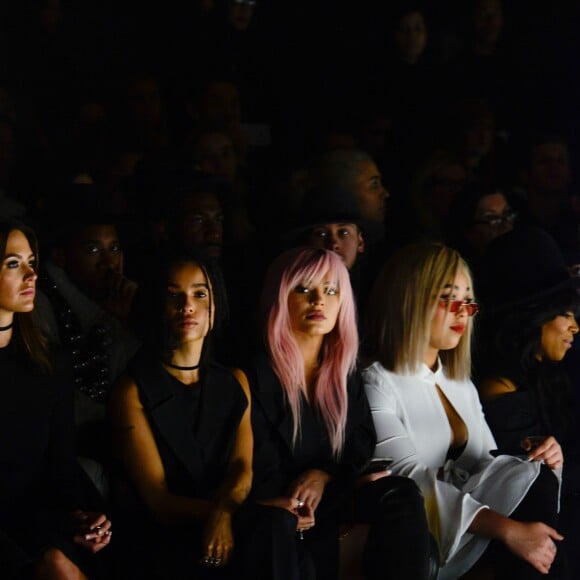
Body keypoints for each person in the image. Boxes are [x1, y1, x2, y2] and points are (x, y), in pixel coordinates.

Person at [363, 242, 568, 579]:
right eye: (447, 298)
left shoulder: (459, 383)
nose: (462, 311)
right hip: (424, 541)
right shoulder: (376, 382)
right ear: (408, 299)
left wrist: (542, 454)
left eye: (468, 299)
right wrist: (507, 530)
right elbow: (409, 480)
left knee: (540, 472)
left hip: (480, 531)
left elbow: (488, 463)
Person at [240, 247, 434, 580]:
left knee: (400, 493)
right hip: (279, 505)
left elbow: (360, 441)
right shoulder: (255, 374)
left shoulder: (344, 371)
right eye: (304, 289)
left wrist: (326, 475)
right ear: (280, 296)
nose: (319, 300)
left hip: (335, 491)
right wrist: (303, 493)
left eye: (331, 290)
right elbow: (256, 460)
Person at [110, 253, 268, 579]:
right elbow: (159, 501)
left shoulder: (234, 381)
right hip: (164, 536)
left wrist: (224, 513)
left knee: (277, 528)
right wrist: (219, 515)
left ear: (215, 304)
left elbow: (242, 468)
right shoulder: (133, 388)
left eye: (199, 294)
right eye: (173, 296)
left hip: (227, 518)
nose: (187, 306)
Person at [0, 218, 111, 579]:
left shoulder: (48, 364)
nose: (31, 275)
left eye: (32, 262)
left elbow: (61, 465)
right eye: (13, 264)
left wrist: (85, 517)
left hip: (32, 519)